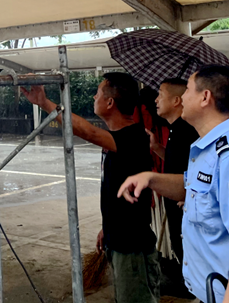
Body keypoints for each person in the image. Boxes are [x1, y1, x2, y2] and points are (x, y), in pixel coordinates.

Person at [118, 65, 229, 303]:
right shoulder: (207, 148)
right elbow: (192, 187)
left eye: (187, 90)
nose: (182, 97)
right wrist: (151, 178)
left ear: (205, 97)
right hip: (215, 292)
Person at [22, 73, 159, 303]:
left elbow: (87, 131)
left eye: (98, 92)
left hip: (132, 247)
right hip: (119, 240)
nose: (94, 96)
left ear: (110, 102)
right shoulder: (116, 138)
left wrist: (46, 103)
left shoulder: (134, 136)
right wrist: (107, 227)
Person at [149, 78, 199, 298]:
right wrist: (157, 148)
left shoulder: (187, 132)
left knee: (187, 249)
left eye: (160, 94)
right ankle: (188, 285)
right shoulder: (174, 130)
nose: (156, 99)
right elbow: (176, 164)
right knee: (181, 248)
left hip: (185, 206)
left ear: (177, 100)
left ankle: (192, 288)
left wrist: (188, 195)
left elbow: (195, 171)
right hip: (176, 203)